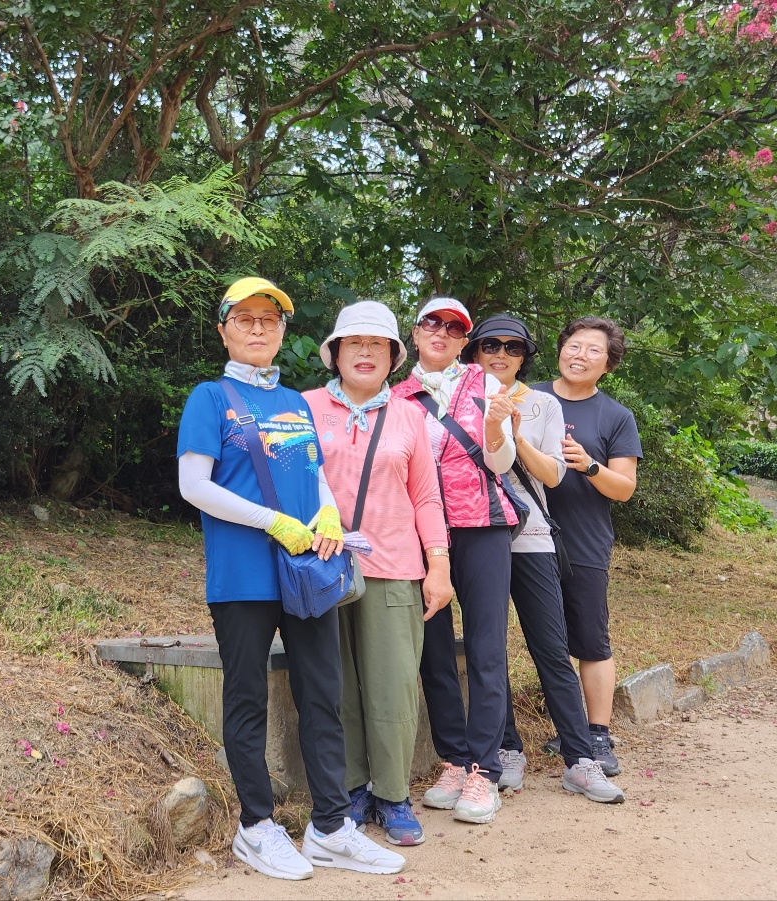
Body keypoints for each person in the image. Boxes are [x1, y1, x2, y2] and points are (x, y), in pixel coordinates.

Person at [176, 277, 405, 880]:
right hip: (243, 576)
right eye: (245, 318)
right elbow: (193, 486)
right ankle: (256, 827)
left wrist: (329, 513)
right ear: (223, 329)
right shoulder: (209, 398)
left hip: (307, 575)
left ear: (282, 332)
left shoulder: (295, 403)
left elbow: (315, 474)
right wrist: (273, 521)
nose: (258, 329)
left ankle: (330, 826)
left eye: (269, 320)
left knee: (322, 696)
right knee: (247, 698)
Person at [302, 301, 453, 847]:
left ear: (393, 357)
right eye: (353, 343)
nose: (364, 353)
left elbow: (426, 496)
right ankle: (350, 790)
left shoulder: (410, 416)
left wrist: (439, 565)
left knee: (393, 688)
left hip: (393, 569)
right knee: (336, 686)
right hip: (323, 567)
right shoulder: (304, 407)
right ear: (335, 353)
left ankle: (393, 796)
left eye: (376, 345)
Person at [465, 315, 625, 804]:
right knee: (488, 649)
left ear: (525, 357)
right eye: (490, 345)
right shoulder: (453, 398)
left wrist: (516, 434)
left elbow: (554, 476)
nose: (501, 354)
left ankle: (580, 758)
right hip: (476, 534)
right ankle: (508, 748)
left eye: (513, 348)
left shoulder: (541, 404)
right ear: (474, 351)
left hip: (531, 534)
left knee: (552, 649)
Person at [392, 297, 520, 825]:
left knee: (487, 648)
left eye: (453, 327)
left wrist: (495, 428)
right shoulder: (396, 395)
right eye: (432, 323)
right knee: (434, 650)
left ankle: (485, 770)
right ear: (416, 332)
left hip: (483, 526)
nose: (441, 332)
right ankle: (454, 759)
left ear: (464, 340)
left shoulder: (486, 383)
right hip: (423, 536)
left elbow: (501, 461)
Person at [534, 316, 642, 777]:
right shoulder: (530, 398)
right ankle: (568, 727)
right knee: (549, 641)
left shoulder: (615, 416)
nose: (579, 355)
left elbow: (625, 488)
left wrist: (589, 465)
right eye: (574, 345)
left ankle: (597, 733)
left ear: (608, 365)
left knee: (591, 642)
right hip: (525, 538)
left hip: (583, 542)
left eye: (593, 350)